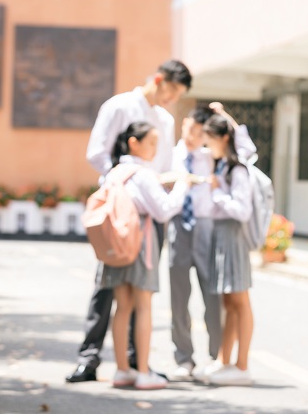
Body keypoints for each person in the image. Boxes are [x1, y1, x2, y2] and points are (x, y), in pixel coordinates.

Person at [67, 59, 192, 383]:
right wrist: (127, 182)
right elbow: (97, 153)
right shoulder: (119, 106)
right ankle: (90, 358)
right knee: (107, 287)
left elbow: (160, 166)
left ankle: (138, 363)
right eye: (173, 90)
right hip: (119, 210)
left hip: (150, 214)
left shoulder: (164, 119)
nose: (172, 99)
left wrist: (156, 183)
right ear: (159, 79)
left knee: (139, 292)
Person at [168, 103, 257, 382]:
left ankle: (220, 357)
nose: (196, 137)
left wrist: (225, 115)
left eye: (202, 132)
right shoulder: (172, 156)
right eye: (191, 130)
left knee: (218, 298)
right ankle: (185, 359)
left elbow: (246, 149)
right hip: (179, 226)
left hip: (211, 227)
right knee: (180, 298)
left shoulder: (216, 158)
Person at [101, 122, 191, 390]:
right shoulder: (143, 174)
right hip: (141, 241)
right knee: (143, 306)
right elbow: (164, 210)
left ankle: (121, 370)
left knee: (122, 306)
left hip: (116, 242)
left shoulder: (115, 173)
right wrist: (182, 185)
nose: (155, 149)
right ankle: (142, 371)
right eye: (151, 143)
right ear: (134, 142)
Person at [201, 114, 256, 386]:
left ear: (223, 138)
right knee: (229, 303)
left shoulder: (237, 169)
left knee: (240, 301)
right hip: (223, 235)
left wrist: (217, 193)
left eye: (209, 138)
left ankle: (242, 366)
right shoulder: (224, 166)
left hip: (233, 236)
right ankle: (225, 362)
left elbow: (242, 210)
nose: (206, 143)